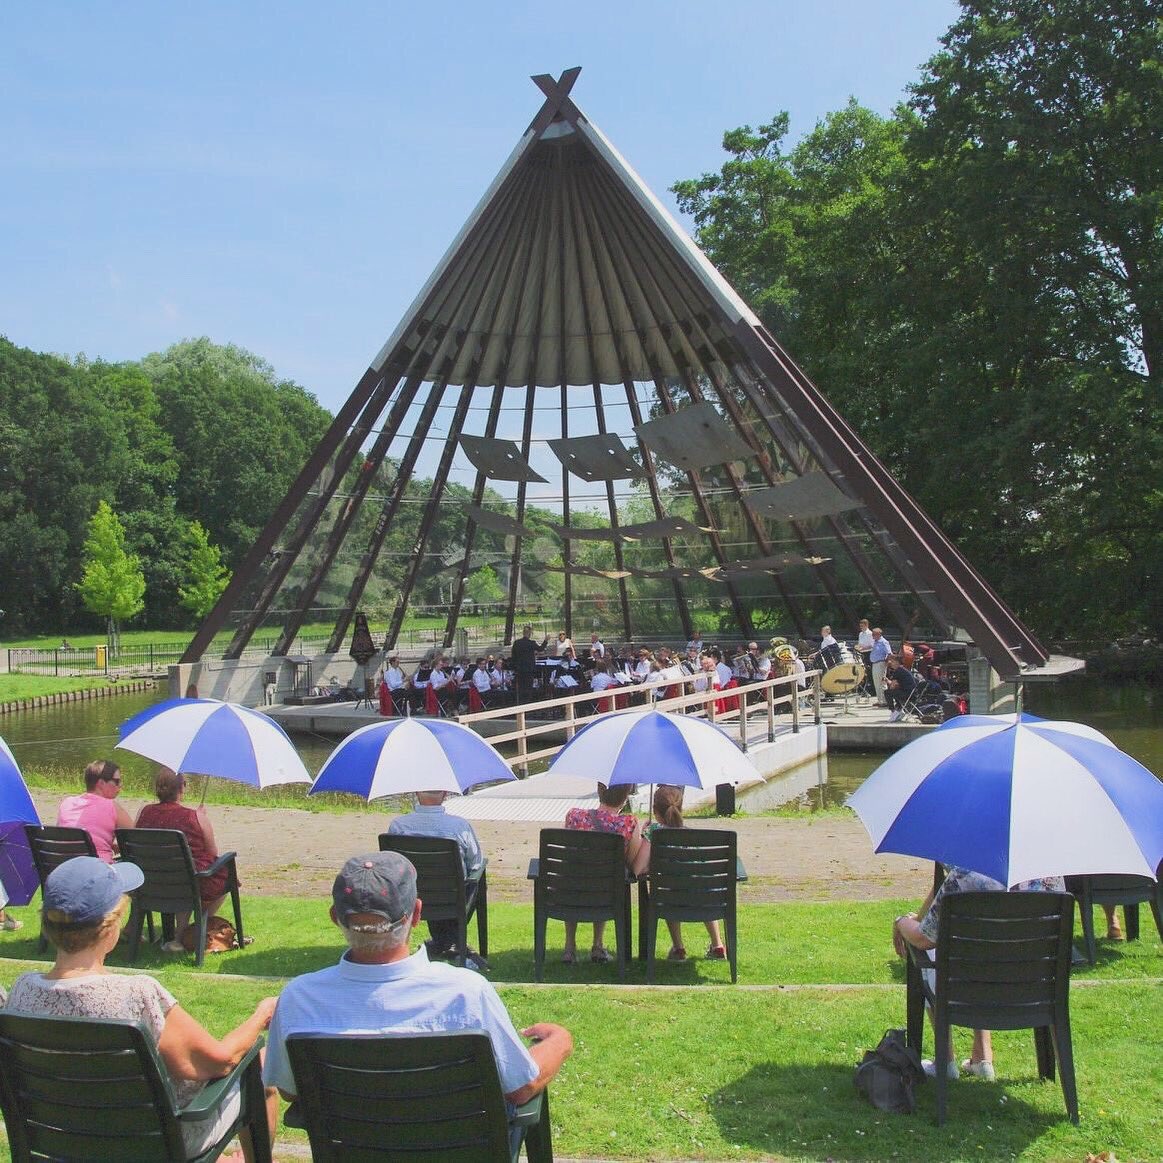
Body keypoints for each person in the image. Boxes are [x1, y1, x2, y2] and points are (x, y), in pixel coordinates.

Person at [3, 856, 277, 1161]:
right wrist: (261, 1016)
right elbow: (219, 1062)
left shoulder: (22, 993)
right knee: (262, 1068)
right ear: (109, 929)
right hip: (152, 1145)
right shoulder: (136, 994)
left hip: (59, 1140)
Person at [263, 853, 572, 1111]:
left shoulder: (299, 998)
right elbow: (519, 1088)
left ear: (335, 917)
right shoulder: (465, 993)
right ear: (416, 914)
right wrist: (560, 1042)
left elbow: (291, 1091)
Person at [892, 865, 1065, 1081]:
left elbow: (923, 938)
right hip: (1035, 993)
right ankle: (983, 1057)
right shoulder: (1051, 877)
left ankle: (945, 1060)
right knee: (981, 956)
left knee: (939, 954)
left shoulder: (964, 874)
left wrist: (901, 922)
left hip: (972, 990)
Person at [135, 768, 233, 953]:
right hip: (185, 884)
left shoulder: (144, 812)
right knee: (223, 873)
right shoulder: (194, 817)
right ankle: (187, 932)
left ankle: (181, 934)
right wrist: (201, 817)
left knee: (184, 872)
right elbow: (212, 853)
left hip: (149, 884)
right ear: (182, 788)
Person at [386, 790, 486, 967]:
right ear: (445, 794)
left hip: (412, 896)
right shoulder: (459, 826)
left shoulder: (398, 826)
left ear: (417, 794)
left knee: (427, 883)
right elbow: (476, 863)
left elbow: (392, 865)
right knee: (474, 879)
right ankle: (450, 943)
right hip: (452, 897)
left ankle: (443, 942)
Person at [561, 783, 650, 963]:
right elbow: (633, 864)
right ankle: (598, 945)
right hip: (607, 893)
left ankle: (569, 947)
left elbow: (569, 856)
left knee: (579, 873)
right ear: (625, 798)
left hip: (573, 891)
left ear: (600, 792)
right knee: (603, 875)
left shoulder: (574, 816)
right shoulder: (628, 823)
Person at [643, 785, 726, 961]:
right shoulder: (693, 836)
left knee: (669, 890)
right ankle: (717, 944)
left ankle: (678, 948)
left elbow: (641, 866)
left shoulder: (653, 833)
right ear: (681, 808)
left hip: (670, 900)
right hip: (707, 899)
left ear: (655, 811)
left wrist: (644, 833)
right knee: (700, 886)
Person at [56, 758, 134, 863]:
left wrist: (109, 844)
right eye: (117, 781)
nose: (120, 785)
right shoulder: (112, 807)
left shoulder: (67, 803)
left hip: (64, 868)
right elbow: (136, 840)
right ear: (101, 783)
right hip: (98, 872)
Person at [510, 625, 548, 704]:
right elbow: (541, 649)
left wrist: (515, 666)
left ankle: (520, 703)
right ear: (530, 633)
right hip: (529, 670)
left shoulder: (517, 643)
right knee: (528, 688)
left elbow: (513, 656)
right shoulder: (531, 643)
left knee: (521, 688)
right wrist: (546, 640)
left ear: (523, 633)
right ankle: (527, 704)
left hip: (520, 670)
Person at [884, 655, 918, 721]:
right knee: (895, 691)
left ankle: (893, 711)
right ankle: (899, 709)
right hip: (913, 694)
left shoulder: (898, 671)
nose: (891, 663)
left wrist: (887, 681)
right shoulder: (903, 669)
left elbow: (892, 686)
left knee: (887, 692)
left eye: (892, 661)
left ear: (897, 662)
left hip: (908, 695)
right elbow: (896, 684)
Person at [869, 627, 893, 707]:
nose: (872, 636)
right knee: (876, 682)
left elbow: (889, 653)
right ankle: (880, 700)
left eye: (873, 634)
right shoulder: (875, 642)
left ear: (878, 634)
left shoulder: (884, 642)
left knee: (881, 682)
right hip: (875, 663)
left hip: (880, 663)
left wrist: (886, 662)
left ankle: (885, 700)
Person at [855, 618, 875, 702]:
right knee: (863, 671)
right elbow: (860, 644)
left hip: (869, 653)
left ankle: (873, 690)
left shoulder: (870, 634)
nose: (861, 627)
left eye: (862, 626)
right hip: (862, 654)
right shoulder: (860, 634)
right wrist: (857, 647)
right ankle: (864, 688)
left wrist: (863, 647)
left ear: (866, 625)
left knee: (870, 672)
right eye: (860, 626)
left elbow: (872, 645)